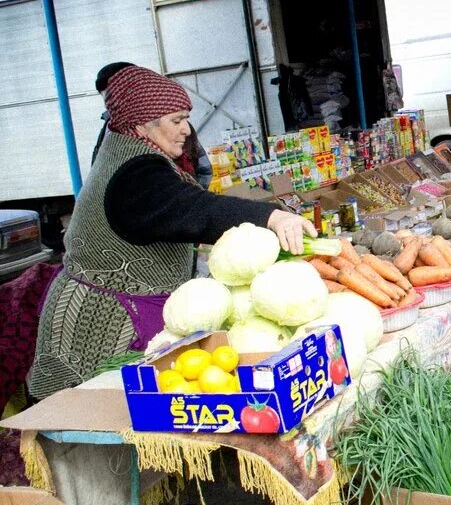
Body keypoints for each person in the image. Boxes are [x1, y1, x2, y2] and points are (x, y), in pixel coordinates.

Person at [28, 66, 315, 402]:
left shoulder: (130, 150)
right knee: (94, 417)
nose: (187, 130)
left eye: (186, 118)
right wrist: (269, 216)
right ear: (142, 122)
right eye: (176, 120)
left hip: (125, 304)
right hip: (103, 322)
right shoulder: (136, 174)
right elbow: (193, 209)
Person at [92, 63, 212, 188]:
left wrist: (198, 194)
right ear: (142, 126)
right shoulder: (133, 164)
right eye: (109, 98)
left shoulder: (174, 125)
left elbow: (204, 169)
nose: (115, 104)